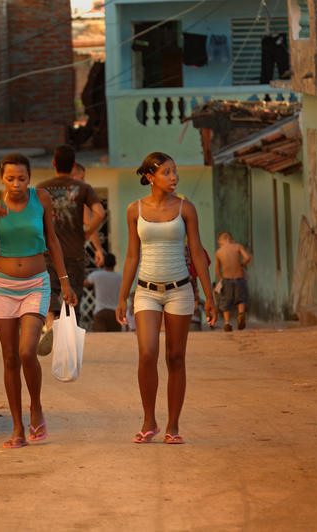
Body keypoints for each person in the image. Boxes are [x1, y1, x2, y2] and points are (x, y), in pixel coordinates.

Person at [0, 153, 76, 449]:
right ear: (1, 179)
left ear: (30, 178)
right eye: (10, 179)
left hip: (36, 284)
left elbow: (53, 240)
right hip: (2, 287)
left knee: (26, 351)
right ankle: (18, 428)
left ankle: (36, 407)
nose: (16, 184)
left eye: (22, 178)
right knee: (9, 358)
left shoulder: (42, 199)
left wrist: (64, 280)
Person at [115, 152, 217, 445]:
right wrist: (123, 297)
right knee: (147, 353)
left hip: (180, 291)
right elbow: (132, 255)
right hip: (146, 291)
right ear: (150, 178)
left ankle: (173, 426)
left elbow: (197, 252)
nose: (174, 177)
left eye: (175, 172)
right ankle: (149, 420)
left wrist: (209, 296)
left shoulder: (187, 209)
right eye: (167, 173)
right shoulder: (134, 210)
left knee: (175, 357)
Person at [37, 145, 105, 355]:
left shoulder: (41, 188)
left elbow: (33, 218)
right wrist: (85, 234)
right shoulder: (83, 188)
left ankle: (50, 324)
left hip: (48, 251)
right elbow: (100, 213)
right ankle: (67, 340)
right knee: (71, 295)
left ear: (54, 164)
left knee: (50, 292)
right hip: (75, 253)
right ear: (74, 164)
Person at [214, 232, 251, 331]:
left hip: (226, 279)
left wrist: (220, 278)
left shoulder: (219, 252)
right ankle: (241, 313)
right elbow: (247, 257)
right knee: (241, 299)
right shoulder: (238, 246)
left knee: (226, 302)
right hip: (239, 278)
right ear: (231, 240)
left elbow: (217, 270)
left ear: (220, 241)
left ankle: (227, 323)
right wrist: (242, 264)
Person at [72, 162, 105, 268]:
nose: (84, 181)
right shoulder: (78, 197)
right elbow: (91, 222)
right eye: (82, 178)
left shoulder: (49, 193)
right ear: (72, 177)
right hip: (72, 253)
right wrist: (98, 249)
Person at [84, 253, 122, 331]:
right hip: (115, 313)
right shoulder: (120, 278)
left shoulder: (96, 275)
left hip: (100, 312)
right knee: (115, 340)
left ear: (103, 263)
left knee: (100, 339)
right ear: (115, 263)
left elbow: (85, 284)